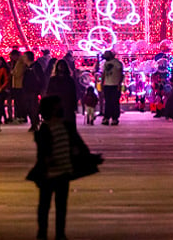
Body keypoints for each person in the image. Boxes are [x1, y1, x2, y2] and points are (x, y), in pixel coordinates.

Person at [28, 95, 98, 240]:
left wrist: (89, 157)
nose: (61, 109)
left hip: (63, 173)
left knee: (60, 206)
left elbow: (79, 146)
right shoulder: (45, 130)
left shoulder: (66, 126)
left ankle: (59, 233)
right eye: (57, 106)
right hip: (49, 174)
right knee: (45, 205)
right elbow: (43, 152)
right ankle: (43, 233)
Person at [44, 59, 78, 130]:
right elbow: (49, 92)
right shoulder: (53, 79)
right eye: (60, 65)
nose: (61, 67)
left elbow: (73, 93)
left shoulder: (69, 79)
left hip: (67, 104)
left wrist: (74, 105)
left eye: (63, 65)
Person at [100, 50, 124, 125]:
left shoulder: (117, 63)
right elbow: (104, 73)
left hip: (115, 85)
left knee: (114, 102)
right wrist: (102, 83)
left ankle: (114, 118)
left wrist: (119, 83)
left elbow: (121, 73)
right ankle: (106, 117)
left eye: (106, 54)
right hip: (107, 85)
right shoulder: (105, 63)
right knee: (107, 102)